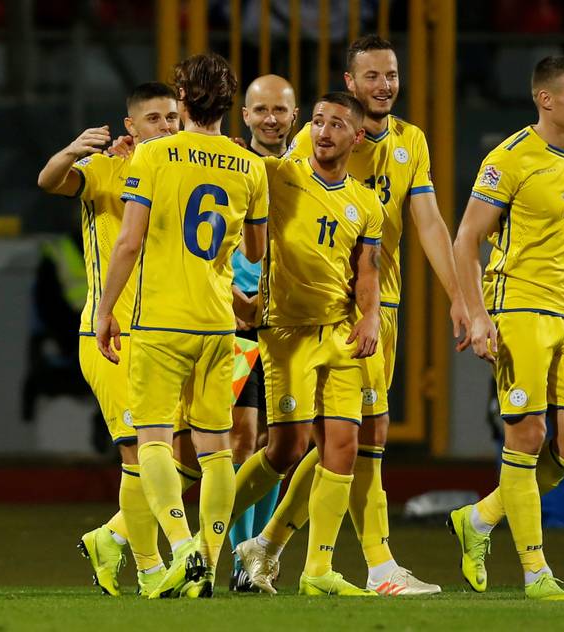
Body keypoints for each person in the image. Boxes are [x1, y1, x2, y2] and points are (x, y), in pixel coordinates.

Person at [234, 33, 468, 597]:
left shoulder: (410, 143)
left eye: (391, 74)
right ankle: (371, 562)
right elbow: (255, 208)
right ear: (350, 84)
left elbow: (430, 224)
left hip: (376, 309)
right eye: (372, 76)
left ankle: (273, 547)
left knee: (356, 438)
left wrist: (459, 296)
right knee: (330, 442)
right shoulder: (310, 149)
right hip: (313, 317)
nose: (384, 84)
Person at [96, 52, 269, 599]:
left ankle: (181, 546)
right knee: (216, 447)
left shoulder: (155, 156)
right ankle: (210, 563)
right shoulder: (250, 165)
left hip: (162, 321)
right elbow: (257, 249)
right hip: (220, 324)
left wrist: (104, 310)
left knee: (153, 439)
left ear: (183, 98)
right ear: (230, 103)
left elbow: (128, 242)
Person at [451, 56, 564, 600]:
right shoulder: (508, 160)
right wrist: (478, 315)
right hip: (519, 307)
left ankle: (479, 519)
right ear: (545, 99)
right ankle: (535, 572)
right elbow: (466, 239)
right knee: (527, 436)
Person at [36, 82, 204, 597]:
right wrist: (72, 150)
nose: (166, 127)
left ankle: (111, 538)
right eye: (154, 119)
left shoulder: (179, 172)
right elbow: (49, 182)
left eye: (173, 117)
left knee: (190, 456)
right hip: (108, 331)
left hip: (166, 328)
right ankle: (159, 565)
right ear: (131, 126)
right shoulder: (107, 168)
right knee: (139, 451)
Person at [233, 92, 384, 597]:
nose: (324, 131)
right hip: (285, 332)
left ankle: (316, 570)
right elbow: (232, 172)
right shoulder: (281, 175)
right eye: (318, 121)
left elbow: (367, 268)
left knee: (342, 446)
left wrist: (370, 317)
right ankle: (209, 531)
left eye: (337, 124)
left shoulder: (366, 202)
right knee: (286, 449)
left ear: (356, 137)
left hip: (339, 333)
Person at [228, 74, 299, 592]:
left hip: (285, 324)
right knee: (239, 441)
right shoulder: (234, 170)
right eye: (261, 110)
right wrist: (238, 301)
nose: (270, 118)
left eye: (280, 109)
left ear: (293, 115)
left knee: (280, 446)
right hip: (236, 320)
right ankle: (233, 555)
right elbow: (211, 246)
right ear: (246, 117)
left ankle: (259, 558)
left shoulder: (306, 172)